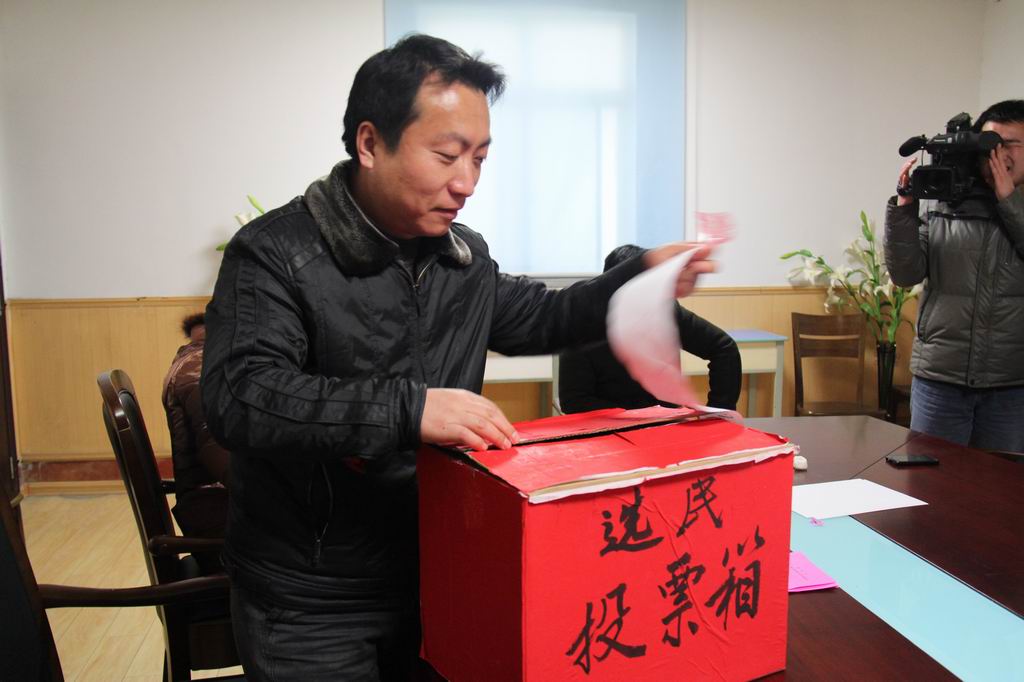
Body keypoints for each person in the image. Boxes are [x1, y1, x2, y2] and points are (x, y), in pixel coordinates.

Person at [202, 34, 714, 681]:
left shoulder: (460, 257)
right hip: (313, 599)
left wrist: (638, 279)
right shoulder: (277, 253)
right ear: (370, 143)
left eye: (479, 158)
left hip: (439, 567)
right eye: (447, 156)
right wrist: (410, 409)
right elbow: (241, 394)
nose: (466, 183)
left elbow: (546, 317)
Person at [885, 99, 1024, 452]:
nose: (999, 154)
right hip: (940, 379)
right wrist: (904, 208)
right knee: (928, 479)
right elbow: (905, 274)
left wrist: (1009, 201)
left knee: (999, 483)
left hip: (1010, 384)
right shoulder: (947, 201)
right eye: (990, 144)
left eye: (1010, 144)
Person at [559, 244, 741, 413]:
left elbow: (723, 348)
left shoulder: (665, 309)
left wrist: (720, 413)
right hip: (606, 426)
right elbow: (574, 401)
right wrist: (632, 418)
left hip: (663, 422)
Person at [162, 312, 230, 572]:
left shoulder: (203, 359)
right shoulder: (202, 369)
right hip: (224, 527)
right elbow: (226, 463)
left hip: (223, 512)